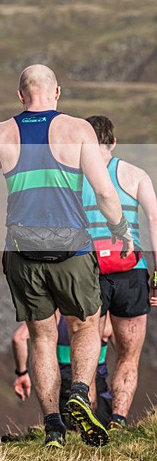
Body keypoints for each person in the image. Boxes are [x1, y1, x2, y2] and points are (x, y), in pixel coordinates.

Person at [0, 64, 134, 448]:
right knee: (86, 325)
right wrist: (120, 230)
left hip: (22, 252)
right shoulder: (78, 130)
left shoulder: (1, 133)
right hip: (72, 249)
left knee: (41, 337)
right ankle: (78, 390)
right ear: (56, 92)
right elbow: (106, 192)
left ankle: (54, 427)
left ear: (20, 95)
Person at [83, 115, 157, 430]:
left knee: (84, 353)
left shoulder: (73, 177)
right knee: (128, 355)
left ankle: (83, 425)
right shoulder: (135, 174)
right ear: (112, 141)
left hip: (88, 271)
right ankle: (118, 421)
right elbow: (154, 220)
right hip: (132, 270)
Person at [11, 312, 113, 429]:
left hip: (63, 383)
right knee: (101, 431)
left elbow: (18, 338)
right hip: (96, 380)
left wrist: (22, 373)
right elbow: (124, 355)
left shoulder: (53, 314)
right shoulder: (100, 315)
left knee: (66, 429)